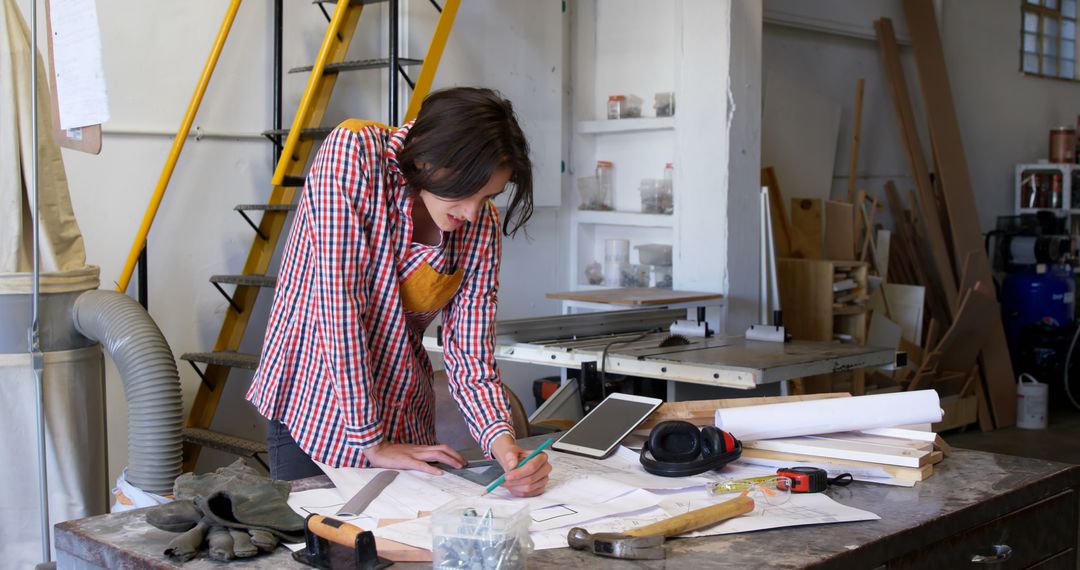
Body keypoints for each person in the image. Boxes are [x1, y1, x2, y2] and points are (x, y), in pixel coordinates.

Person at [246, 87, 551, 497]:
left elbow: (470, 352)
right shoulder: (354, 155)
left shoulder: (480, 225)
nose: (474, 213)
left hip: (402, 415)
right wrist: (371, 442)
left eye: (489, 196)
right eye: (466, 191)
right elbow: (339, 309)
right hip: (316, 404)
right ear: (427, 161)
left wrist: (503, 444)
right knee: (320, 543)